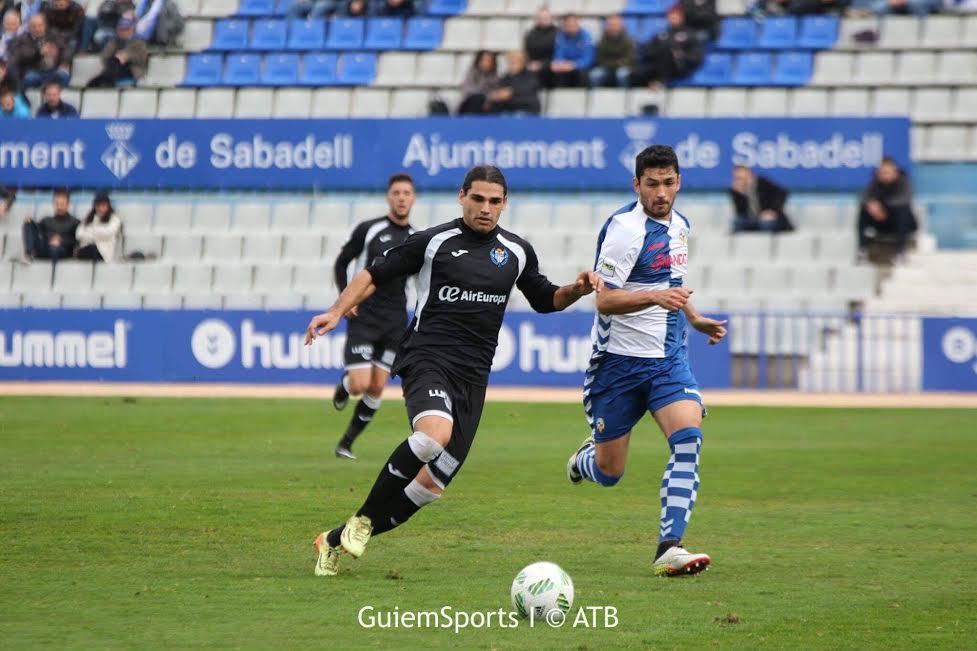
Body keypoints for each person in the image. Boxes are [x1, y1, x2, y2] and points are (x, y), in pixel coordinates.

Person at [305, 165, 602, 577]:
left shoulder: (516, 252)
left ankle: (334, 538)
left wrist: (578, 289)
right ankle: (363, 521)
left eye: (494, 201)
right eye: (477, 199)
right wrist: (337, 310)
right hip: (427, 358)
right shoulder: (433, 242)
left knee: (429, 488)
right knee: (432, 436)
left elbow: (545, 298)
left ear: (505, 204)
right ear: (462, 197)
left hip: (473, 377)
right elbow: (374, 273)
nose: (485, 208)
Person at [565, 145, 727, 578]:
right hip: (618, 365)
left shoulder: (681, 226)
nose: (661, 193)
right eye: (652, 184)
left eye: (668, 183)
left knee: (689, 438)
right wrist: (654, 296)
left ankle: (669, 547)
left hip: (668, 360)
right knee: (609, 472)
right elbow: (605, 300)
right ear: (636, 185)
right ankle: (583, 461)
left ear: (679, 182)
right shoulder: (624, 230)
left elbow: (673, 283)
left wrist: (693, 317)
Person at [330, 173, 417, 460]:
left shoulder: (416, 239)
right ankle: (345, 385)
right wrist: (345, 298)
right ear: (388, 197)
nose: (401, 198)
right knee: (359, 384)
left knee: (378, 386)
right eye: (396, 193)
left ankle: (346, 444)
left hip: (395, 321)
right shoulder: (369, 230)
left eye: (406, 193)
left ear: (413, 198)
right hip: (365, 315)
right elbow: (342, 262)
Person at [857, 157, 918, 258]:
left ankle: (900, 252)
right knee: (864, 210)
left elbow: (905, 199)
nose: (884, 175)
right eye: (882, 173)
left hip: (900, 223)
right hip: (881, 221)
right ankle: (862, 249)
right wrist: (871, 205)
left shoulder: (904, 181)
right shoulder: (875, 182)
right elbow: (863, 197)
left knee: (903, 212)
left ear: (895, 172)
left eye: (887, 172)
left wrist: (883, 207)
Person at [632, 4, 703, 88]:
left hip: (680, 67)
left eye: (676, 16)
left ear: (682, 17)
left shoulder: (690, 35)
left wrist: (681, 55)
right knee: (637, 72)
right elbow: (648, 52)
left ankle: (661, 81)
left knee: (667, 50)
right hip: (657, 67)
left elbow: (695, 57)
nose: (673, 18)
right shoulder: (661, 34)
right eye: (671, 16)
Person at [86, 12, 147, 87]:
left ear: (132, 29)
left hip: (131, 70)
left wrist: (127, 56)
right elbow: (105, 56)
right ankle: (104, 80)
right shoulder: (114, 41)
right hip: (114, 68)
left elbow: (142, 57)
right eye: (121, 29)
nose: (123, 32)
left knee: (115, 65)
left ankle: (103, 80)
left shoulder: (138, 42)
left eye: (126, 29)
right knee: (114, 62)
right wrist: (117, 56)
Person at [729, 165, 794, 233]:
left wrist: (772, 211)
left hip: (768, 218)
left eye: (742, 177)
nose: (740, 180)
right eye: (738, 178)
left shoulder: (762, 183)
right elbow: (740, 212)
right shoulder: (736, 191)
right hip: (751, 220)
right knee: (739, 222)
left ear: (749, 174)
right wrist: (742, 194)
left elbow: (782, 193)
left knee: (767, 223)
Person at [22, 188, 80, 262]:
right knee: (28, 223)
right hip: (46, 247)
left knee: (55, 248)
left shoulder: (75, 222)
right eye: (57, 204)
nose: (59, 207)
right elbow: (35, 232)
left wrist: (61, 240)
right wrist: (30, 222)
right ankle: (29, 254)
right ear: (53, 204)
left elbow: (78, 241)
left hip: (63, 250)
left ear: (68, 204)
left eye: (62, 204)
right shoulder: (46, 220)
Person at [544, 13, 594, 88]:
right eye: (568, 24)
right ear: (565, 25)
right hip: (565, 67)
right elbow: (558, 54)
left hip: (579, 67)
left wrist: (574, 65)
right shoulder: (561, 36)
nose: (571, 26)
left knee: (582, 74)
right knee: (555, 72)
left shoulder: (586, 36)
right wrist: (561, 64)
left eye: (573, 24)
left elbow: (588, 59)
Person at [486, 50, 540, 115]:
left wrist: (512, 91)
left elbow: (530, 88)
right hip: (509, 108)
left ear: (523, 62)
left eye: (517, 61)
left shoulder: (530, 75)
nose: (513, 64)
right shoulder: (506, 77)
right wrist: (498, 94)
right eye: (511, 62)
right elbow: (499, 90)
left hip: (527, 108)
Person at [589, 14, 635, 88]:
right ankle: (597, 94)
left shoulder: (629, 40)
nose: (613, 27)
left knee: (622, 74)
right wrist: (617, 63)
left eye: (616, 25)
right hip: (606, 68)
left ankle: (624, 94)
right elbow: (599, 59)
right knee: (595, 75)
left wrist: (616, 63)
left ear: (621, 25)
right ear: (607, 26)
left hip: (623, 67)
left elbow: (630, 59)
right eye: (611, 25)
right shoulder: (602, 40)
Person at [75, 192, 122, 262]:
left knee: (92, 249)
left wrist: (90, 231)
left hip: (104, 254)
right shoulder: (89, 218)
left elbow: (108, 232)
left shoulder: (114, 219)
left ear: (108, 206)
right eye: (98, 205)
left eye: (103, 205)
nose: (100, 208)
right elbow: (79, 234)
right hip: (86, 250)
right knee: (85, 250)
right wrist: (99, 236)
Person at [457, 50, 498, 115]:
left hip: (486, 106)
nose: (486, 63)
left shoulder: (495, 78)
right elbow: (468, 91)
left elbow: (496, 94)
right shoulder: (471, 74)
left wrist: (488, 99)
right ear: (479, 61)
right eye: (484, 60)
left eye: (489, 61)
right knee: (477, 99)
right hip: (469, 106)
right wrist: (486, 96)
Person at [524, 5, 557, 75]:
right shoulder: (530, 34)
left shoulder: (558, 33)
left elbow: (559, 54)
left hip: (552, 66)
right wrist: (530, 64)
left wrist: (542, 64)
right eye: (540, 17)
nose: (543, 19)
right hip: (533, 66)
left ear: (551, 18)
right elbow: (527, 52)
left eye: (545, 17)